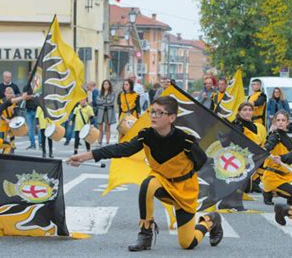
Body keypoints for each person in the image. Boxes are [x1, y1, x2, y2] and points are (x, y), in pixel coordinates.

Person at [67, 96, 223, 251]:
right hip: (162, 182)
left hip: (185, 189)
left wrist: (181, 174)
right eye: (152, 111)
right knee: (148, 184)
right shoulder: (146, 135)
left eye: (159, 113)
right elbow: (121, 149)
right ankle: (145, 234)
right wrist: (85, 156)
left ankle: (210, 221)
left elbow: (201, 162)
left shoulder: (186, 141)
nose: (154, 116)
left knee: (187, 243)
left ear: (171, 118)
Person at [261, 110, 292, 206]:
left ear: (287, 123)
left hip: (286, 174)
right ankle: (269, 191)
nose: (280, 122)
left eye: (283, 120)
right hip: (273, 176)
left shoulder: (289, 139)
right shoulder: (274, 136)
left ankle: (291, 199)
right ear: (274, 122)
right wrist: (266, 148)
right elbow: (269, 144)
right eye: (278, 120)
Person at [232, 102, 267, 193]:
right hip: (240, 157)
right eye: (244, 110)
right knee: (246, 189)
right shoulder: (237, 124)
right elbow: (238, 143)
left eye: (250, 110)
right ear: (239, 112)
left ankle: (255, 182)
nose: (247, 112)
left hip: (252, 155)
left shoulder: (254, 126)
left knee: (266, 157)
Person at [96, 80, 116, 145]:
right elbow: (97, 101)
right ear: (102, 85)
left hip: (108, 111)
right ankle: (99, 141)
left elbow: (111, 102)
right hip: (101, 111)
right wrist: (105, 101)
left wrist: (102, 101)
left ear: (109, 85)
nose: (105, 85)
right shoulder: (100, 92)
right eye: (104, 84)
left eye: (107, 84)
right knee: (100, 127)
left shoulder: (112, 93)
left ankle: (107, 141)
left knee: (107, 127)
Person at [0, 87, 17, 152]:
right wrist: (5, 119)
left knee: (12, 135)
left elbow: (17, 112)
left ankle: (12, 148)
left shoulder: (14, 101)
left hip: (11, 120)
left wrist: (14, 111)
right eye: (8, 93)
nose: (9, 94)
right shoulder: (1, 101)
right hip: (4, 121)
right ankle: (4, 149)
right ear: (5, 93)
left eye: (11, 93)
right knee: (3, 137)